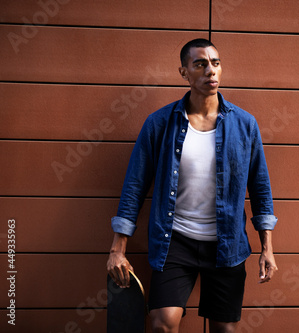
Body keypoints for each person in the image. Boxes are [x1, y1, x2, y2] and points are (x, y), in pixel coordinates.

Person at [107, 38, 278, 333]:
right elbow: (134, 186)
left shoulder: (245, 124)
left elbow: (260, 187)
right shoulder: (159, 124)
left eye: (215, 63)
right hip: (175, 242)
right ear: (183, 72)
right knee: (163, 323)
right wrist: (117, 249)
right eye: (200, 64)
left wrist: (268, 247)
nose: (210, 70)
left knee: (224, 329)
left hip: (227, 245)